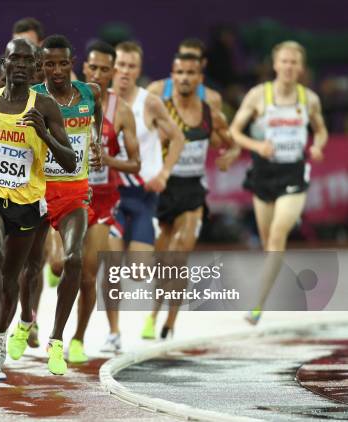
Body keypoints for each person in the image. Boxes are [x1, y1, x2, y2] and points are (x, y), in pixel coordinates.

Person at [0, 37, 75, 380]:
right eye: (15, 59)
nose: (21, 64)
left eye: (28, 59)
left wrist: (45, 134)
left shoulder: (46, 107)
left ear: (36, 66)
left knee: (12, 281)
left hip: (27, 204)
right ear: (4, 65)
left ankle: (0, 333)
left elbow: (69, 162)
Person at [1, 34, 102, 374]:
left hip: (75, 190)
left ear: (71, 63)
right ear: (40, 67)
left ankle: (56, 341)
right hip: (38, 189)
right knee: (32, 267)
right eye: (49, 64)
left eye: (62, 63)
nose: (56, 70)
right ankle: (26, 319)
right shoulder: (32, 99)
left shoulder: (90, 94)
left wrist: (97, 144)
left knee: (72, 259)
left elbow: (95, 122)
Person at [229, 41, 327, 325]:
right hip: (264, 175)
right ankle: (271, 280)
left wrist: (318, 146)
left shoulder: (309, 99)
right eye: (284, 61)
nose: (289, 67)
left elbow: (320, 131)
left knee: (278, 233)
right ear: (275, 65)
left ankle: (257, 306)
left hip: (294, 174)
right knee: (268, 242)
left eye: (294, 62)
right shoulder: (259, 96)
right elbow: (235, 132)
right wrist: (258, 146)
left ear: (301, 67)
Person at [145, 52, 240, 338]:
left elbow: (233, 144)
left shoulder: (211, 113)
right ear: (172, 77)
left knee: (179, 254)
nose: (184, 78)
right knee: (162, 262)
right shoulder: (161, 110)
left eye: (190, 73)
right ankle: (154, 311)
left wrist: (228, 156)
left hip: (192, 192)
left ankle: (170, 321)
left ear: (199, 79)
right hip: (165, 190)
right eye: (180, 73)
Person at [105, 41, 184, 345]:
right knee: (110, 265)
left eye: (131, 66)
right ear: (113, 67)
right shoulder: (100, 100)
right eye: (120, 65)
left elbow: (177, 138)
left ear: (139, 70)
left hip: (143, 196)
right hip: (112, 195)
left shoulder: (149, 103)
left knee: (138, 272)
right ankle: (113, 332)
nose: (124, 71)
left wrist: (164, 173)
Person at [67, 40, 140, 361]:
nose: (97, 74)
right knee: (58, 264)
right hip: (66, 195)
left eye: (104, 69)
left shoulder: (121, 110)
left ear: (113, 72)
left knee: (89, 273)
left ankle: (78, 339)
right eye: (92, 67)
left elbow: (135, 165)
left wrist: (107, 161)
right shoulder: (65, 98)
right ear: (84, 67)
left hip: (101, 201)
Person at [147, 38, 223, 111]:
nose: (187, 63)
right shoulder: (155, 91)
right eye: (183, 57)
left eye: (193, 58)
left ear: (203, 63)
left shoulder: (211, 99)